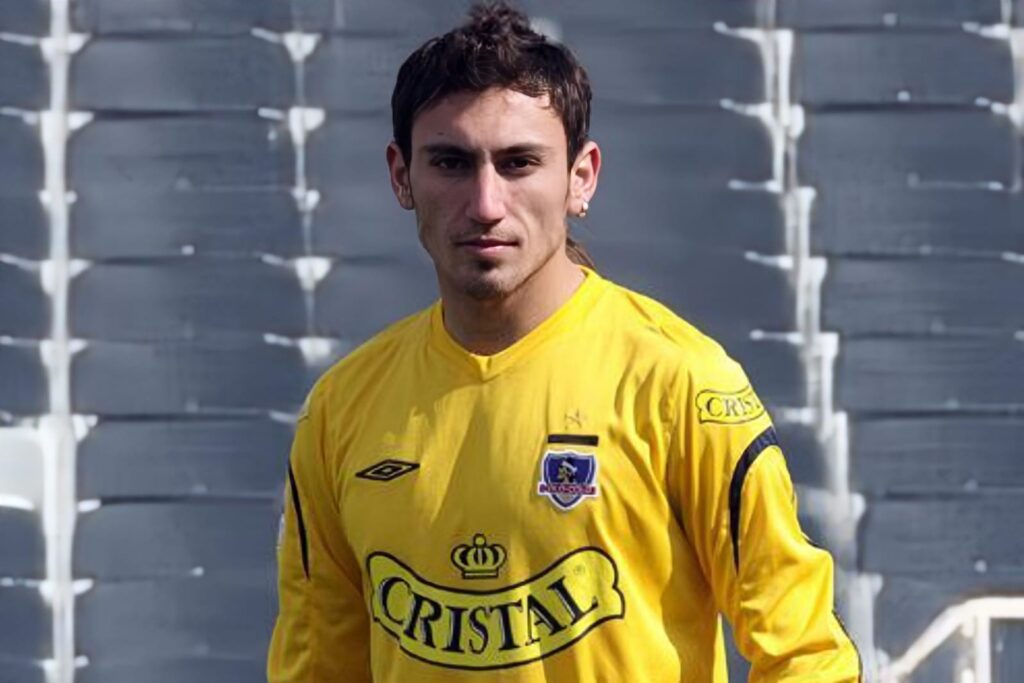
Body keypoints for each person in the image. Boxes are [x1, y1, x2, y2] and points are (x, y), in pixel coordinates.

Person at [267, 3, 861, 681]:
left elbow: (807, 655)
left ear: (582, 177)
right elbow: (317, 665)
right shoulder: (342, 412)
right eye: (451, 163)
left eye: (519, 163)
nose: (486, 203)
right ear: (401, 175)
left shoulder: (682, 385)